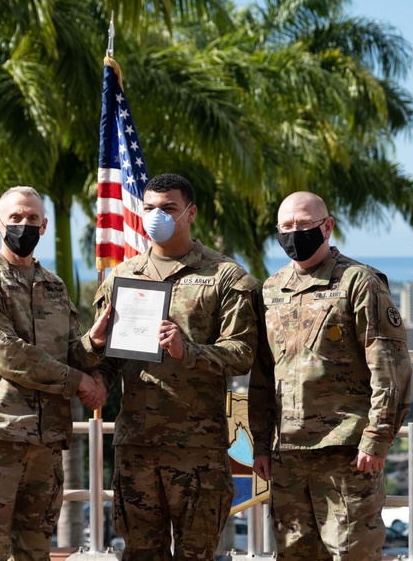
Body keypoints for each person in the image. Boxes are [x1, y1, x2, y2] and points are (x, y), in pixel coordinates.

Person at [89, 173, 266, 561]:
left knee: (196, 555)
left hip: (198, 450)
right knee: (140, 554)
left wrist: (191, 352)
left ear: (190, 213)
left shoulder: (225, 277)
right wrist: (95, 359)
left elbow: (242, 353)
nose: (158, 216)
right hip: (136, 447)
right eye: (150, 208)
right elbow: (107, 363)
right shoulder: (121, 277)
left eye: (168, 208)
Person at [248, 191, 412, 561]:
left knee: (353, 553)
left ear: (327, 227)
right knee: (294, 554)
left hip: (346, 452)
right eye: (286, 227)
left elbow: (390, 367)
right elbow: (262, 376)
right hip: (287, 454)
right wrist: (260, 444)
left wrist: (377, 438)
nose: (294, 233)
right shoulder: (271, 291)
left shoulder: (359, 283)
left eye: (304, 225)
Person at [0, 186, 109, 561]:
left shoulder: (54, 286)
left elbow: (71, 352)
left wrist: (96, 342)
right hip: (0, 436)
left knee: (36, 550)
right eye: (15, 218)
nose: (24, 225)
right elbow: (11, 356)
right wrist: (79, 383)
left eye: (32, 219)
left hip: (47, 440)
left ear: (44, 226)